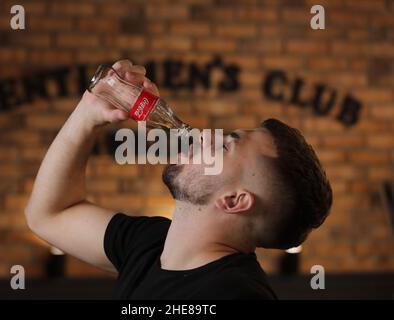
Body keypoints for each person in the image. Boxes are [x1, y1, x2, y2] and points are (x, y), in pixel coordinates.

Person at [25, 60, 333, 299]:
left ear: (235, 200)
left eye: (225, 145)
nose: (203, 136)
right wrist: (89, 113)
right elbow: (50, 215)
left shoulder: (237, 295)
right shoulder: (151, 243)